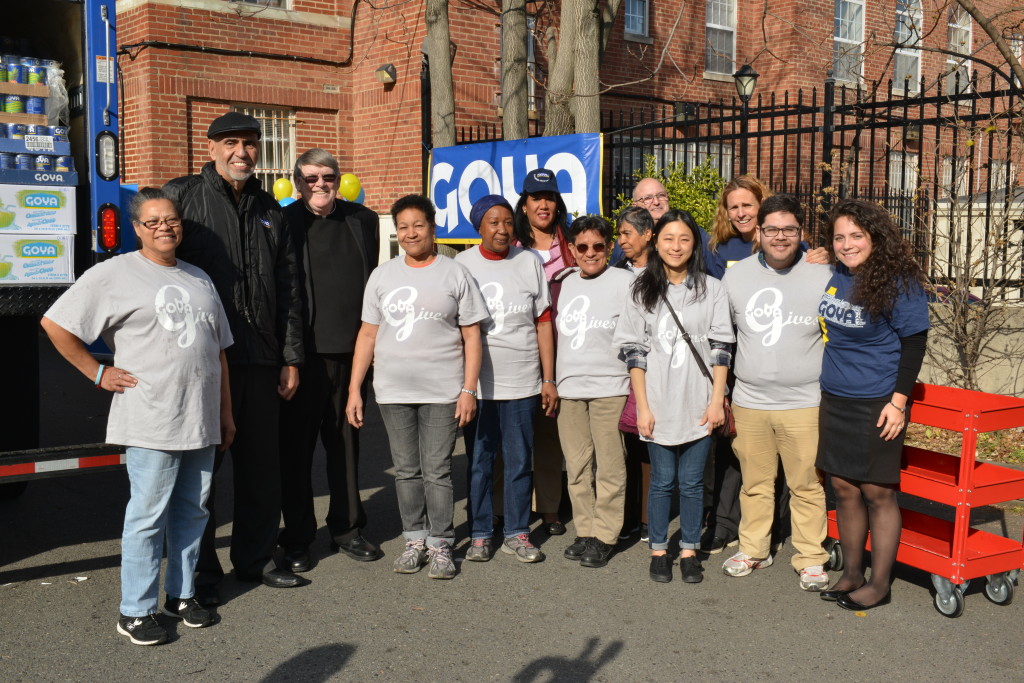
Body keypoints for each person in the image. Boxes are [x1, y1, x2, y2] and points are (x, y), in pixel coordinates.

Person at [41, 188, 234, 646]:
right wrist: (97, 372)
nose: (164, 227)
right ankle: (135, 610)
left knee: (192, 511)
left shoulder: (198, 277)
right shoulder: (114, 273)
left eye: (171, 220)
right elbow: (55, 323)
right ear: (137, 228)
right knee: (148, 516)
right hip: (152, 416)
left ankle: (182, 595)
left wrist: (226, 414)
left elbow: (220, 353)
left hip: (200, 417)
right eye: (153, 221)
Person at [165, 111, 306, 601]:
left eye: (249, 143)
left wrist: (290, 357)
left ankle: (256, 558)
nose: (241, 152)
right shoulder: (182, 198)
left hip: (262, 358)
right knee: (201, 474)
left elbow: (289, 288)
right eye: (231, 143)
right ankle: (199, 572)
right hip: (202, 361)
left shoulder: (273, 210)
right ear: (211, 148)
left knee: (261, 469)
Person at [346, 194, 488, 579]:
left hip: (444, 391)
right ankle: (415, 540)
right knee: (407, 470)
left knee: (437, 470)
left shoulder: (454, 272)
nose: (410, 233)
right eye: (403, 227)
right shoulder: (383, 276)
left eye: (418, 225)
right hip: (393, 391)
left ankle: (441, 544)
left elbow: (472, 335)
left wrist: (468, 389)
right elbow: (367, 335)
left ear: (432, 227)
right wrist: (355, 389)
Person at [816, 198, 929, 611]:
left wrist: (898, 404)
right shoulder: (836, 274)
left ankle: (879, 584)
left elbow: (914, 342)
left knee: (877, 492)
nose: (847, 244)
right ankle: (851, 572)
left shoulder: (899, 282)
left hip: (876, 400)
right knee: (843, 487)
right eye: (839, 237)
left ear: (875, 238)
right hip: (836, 397)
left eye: (856, 236)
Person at [616, 210, 734, 584]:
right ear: (656, 241)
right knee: (663, 480)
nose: (676, 246)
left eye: (684, 238)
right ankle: (658, 549)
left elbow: (721, 347)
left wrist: (717, 400)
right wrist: (644, 407)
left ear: (694, 244)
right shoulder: (640, 290)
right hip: (658, 401)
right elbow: (634, 352)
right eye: (668, 238)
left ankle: (688, 550)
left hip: (699, 400)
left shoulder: (712, 289)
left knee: (693, 482)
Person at [720, 194, 832, 591]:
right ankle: (754, 549)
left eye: (789, 229)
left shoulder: (824, 274)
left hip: (805, 402)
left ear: (801, 233)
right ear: (759, 233)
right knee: (755, 484)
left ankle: (811, 557)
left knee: (806, 484)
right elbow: (722, 336)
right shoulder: (737, 276)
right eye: (772, 230)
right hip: (750, 402)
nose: (780, 237)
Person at [277, 148, 381, 574]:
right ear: (298, 183)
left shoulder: (363, 220)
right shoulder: (285, 222)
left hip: (349, 357)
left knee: (346, 448)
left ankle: (348, 529)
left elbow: (372, 286)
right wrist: (287, 358)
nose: (320, 185)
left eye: (328, 177)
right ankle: (297, 538)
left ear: (339, 180)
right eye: (311, 178)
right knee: (296, 453)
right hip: (300, 360)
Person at [456, 194, 556, 564]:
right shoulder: (462, 265)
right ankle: (480, 532)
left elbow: (542, 322)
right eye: (493, 222)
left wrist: (548, 378)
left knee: (518, 460)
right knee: (481, 460)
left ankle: (517, 531)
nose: (502, 229)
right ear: (478, 227)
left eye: (507, 222)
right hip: (478, 384)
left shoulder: (529, 262)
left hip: (523, 379)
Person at [555, 215, 633, 568]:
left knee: (610, 468)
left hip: (610, 388)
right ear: (571, 250)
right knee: (577, 466)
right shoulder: (564, 283)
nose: (590, 253)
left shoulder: (625, 281)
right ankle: (585, 529)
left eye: (598, 246)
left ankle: (605, 534)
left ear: (609, 247)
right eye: (582, 247)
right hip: (569, 389)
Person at [512, 168, 576, 535]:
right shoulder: (513, 247)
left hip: (564, 349)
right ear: (524, 205)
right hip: (521, 350)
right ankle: (512, 507)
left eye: (549, 197)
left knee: (550, 432)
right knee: (516, 435)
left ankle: (550, 507)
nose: (543, 204)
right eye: (536, 198)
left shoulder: (570, 244)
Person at [612, 206, 654, 542]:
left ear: (647, 234)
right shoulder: (616, 270)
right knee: (628, 443)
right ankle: (627, 517)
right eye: (620, 233)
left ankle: (647, 519)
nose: (621, 240)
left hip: (657, 368)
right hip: (623, 369)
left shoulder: (664, 270)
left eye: (627, 233)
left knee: (650, 447)